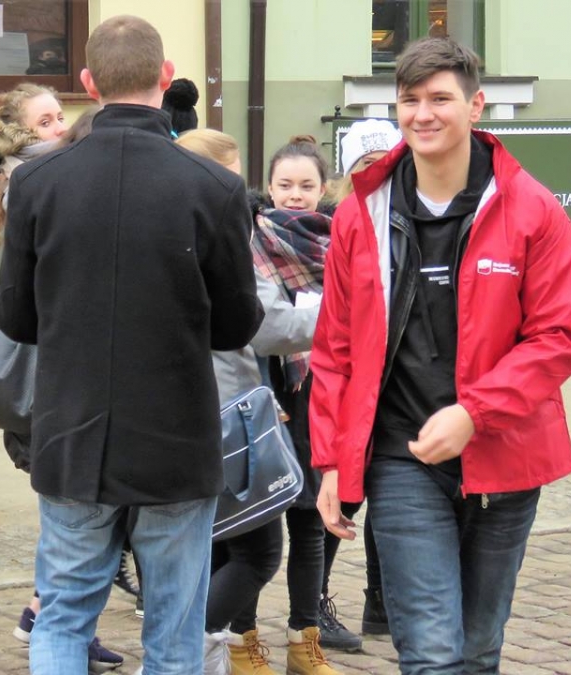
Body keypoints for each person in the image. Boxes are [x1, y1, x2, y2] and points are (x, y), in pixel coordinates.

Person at [0, 15, 264, 675]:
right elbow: (238, 326)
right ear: (165, 77)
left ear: (88, 83)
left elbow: (16, 319)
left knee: (62, 618)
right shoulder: (216, 186)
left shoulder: (36, 183)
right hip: (176, 442)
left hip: (72, 434)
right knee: (173, 632)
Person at [310, 36, 571, 674]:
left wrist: (474, 413)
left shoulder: (533, 210)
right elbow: (335, 349)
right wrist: (330, 461)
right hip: (400, 457)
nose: (423, 114)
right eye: (410, 101)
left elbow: (557, 339)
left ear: (475, 105)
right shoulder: (361, 213)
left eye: (440, 99)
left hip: (505, 453)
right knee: (432, 653)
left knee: (478, 650)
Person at [0, 85, 124, 674]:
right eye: (46, 121)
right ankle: (53, 617)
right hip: (47, 369)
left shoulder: (36, 179)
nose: (61, 127)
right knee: (69, 506)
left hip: (51, 366)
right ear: (21, 134)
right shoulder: (35, 185)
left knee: (66, 507)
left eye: (61, 115)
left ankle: (49, 613)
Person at [176, 127, 319, 675]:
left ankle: (191, 654)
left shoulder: (160, 228)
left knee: (191, 550)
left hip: (180, 411)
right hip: (225, 414)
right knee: (258, 552)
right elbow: (266, 325)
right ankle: (179, 653)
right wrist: (348, 310)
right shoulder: (219, 237)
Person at [253, 135, 347, 674]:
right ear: (269, 187)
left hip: (320, 398)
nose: (294, 195)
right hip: (268, 400)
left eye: (306, 185)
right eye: (285, 185)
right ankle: (242, 641)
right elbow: (255, 329)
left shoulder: (339, 241)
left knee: (311, 522)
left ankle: (303, 639)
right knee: (256, 529)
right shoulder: (250, 239)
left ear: (322, 188)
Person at [320, 119, 403, 642]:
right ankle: (315, 598)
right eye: (365, 165)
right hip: (351, 387)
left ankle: (381, 600)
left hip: (395, 390)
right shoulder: (345, 222)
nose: (377, 173)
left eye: (384, 162)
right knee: (341, 499)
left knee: (389, 503)